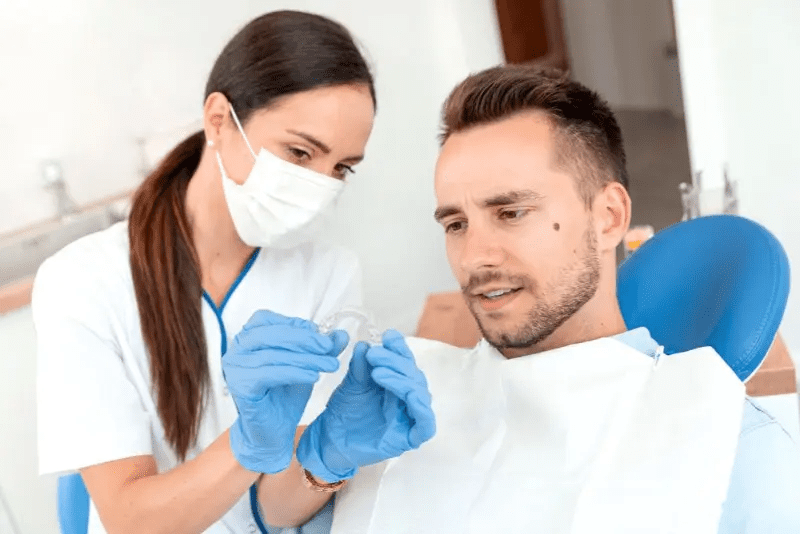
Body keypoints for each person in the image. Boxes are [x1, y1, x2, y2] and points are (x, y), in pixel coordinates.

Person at [262, 66, 800, 533]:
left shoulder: (732, 452)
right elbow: (273, 518)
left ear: (608, 217)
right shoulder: (404, 409)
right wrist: (319, 461)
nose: (475, 257)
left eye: (511, 213)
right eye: (455, 223)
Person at [33, 10, 434, 534]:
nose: (320, 186)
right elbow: (129, 520)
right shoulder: (83, 282)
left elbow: (275, 510)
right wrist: (246, 446)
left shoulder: (328, 273)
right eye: (299, 152)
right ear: (219, 120)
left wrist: (329, 455)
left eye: (340, 167)